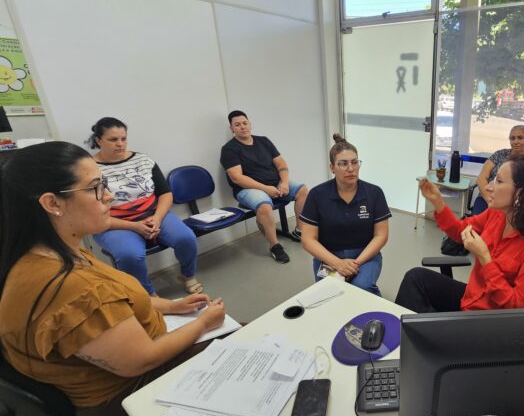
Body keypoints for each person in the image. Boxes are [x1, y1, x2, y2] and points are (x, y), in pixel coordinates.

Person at [0, 141, 226, 416]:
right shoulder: (70, 286)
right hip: (128, 391)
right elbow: (140, 360)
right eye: (96, 188)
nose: (109, 196)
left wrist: (170, 306)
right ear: (52, 203)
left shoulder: (47, 250)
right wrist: (203, 324)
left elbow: (117, 299)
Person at [395, 154, 524, 313]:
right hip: (472, 299)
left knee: (417, 324)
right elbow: (460, 231)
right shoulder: (497, 214)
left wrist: (485, 258)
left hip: (487, 322)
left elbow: (516, 307)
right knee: (416, 278)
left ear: (521, 193)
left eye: (499, 181)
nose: (489, 187)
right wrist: (437, 201)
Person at [88, 117, 202, 295]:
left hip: (152, 214)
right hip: (113, 222)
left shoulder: (143, 160)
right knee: (129, 255)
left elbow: (165, 193)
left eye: (123, 138)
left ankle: (188, 275)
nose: (120, 144)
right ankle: (147, 294)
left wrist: (157, 219)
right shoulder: (88, 169)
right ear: (98, 140)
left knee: (186, 238)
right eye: (113, 139)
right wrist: (135, 226)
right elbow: (91, 213)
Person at [300, 134, 390, 296]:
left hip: (365, 256)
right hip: (328, 257)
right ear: (332, 167)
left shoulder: (374, 193)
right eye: (343, 163)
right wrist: (337, 263)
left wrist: (355, 263)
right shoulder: (317, 195)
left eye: (354, 162)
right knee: (329, 294)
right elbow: (307, 240)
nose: (351, 168)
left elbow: (381, 236)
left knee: (362, 288)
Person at [220, 110, 309, 263]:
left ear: (250, 124)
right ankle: (275, 246)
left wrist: (284, 182)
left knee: (303, 190)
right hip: (247, 189)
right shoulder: (229, 149)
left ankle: (299, 231)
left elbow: (281, 163)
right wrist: (266, 189)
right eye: (237, 125)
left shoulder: (264, 141)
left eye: (245, 123)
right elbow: (237, 178)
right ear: (231, 128)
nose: (242, 127)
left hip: (275, 183)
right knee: (265, 206)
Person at [472, 125, 524, 215]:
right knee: (475, 225)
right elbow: (481, 179)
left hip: (519, 206)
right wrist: (490, 201)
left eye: (520, 138)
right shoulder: (500, 154)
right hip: (488, 199)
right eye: (512, 138)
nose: (516, 141)